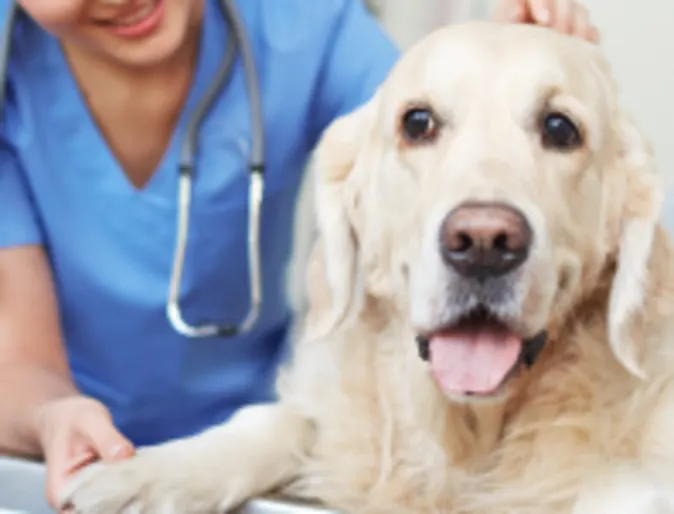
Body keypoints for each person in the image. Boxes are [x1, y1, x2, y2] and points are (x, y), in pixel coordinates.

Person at [0, 0, 599, 509]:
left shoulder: (305, 26)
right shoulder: (10, 72)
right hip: (56, 450)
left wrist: (510, 69)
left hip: (259, 455)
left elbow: (431, 151)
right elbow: (17, 354)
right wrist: (54, 416)